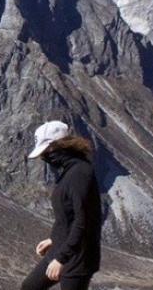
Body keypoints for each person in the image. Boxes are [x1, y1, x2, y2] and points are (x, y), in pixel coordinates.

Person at [21, 121, 102, 290]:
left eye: (46, 151)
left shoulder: (80, 174)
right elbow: (69, 217)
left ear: (59, 146)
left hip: (78, 257)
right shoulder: (69, 171)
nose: (44, 157)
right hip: (63, 248)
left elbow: (84, 221)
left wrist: (61, 259)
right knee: (30, 287)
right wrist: (54, 238)